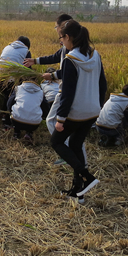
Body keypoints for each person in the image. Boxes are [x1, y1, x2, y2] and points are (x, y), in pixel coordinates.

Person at [51, 20, 107, 203]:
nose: (61, 42)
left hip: (76, 112)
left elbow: (67, 93)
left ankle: (86, 176)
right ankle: (78, 193)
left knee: (56, 141)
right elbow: (102, 83)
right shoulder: (95, 55)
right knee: (75, 145)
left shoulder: (70, 60)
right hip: (92, 111)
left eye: (61, 38)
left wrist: (60, 119)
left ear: (68, 37)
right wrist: (97, 105)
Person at [23, 14, 89, 166]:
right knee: (71, 131)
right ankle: (73, 157)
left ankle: (71, 157)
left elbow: (67, 72)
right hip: (76, 95)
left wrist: (51, 76)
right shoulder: (75, 48)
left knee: (56, 123)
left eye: (56, 27)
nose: (56, 31)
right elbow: (56, 57)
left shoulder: (72, 52)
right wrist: (36, 61)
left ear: (63, 29)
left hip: (67, 92)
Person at [7, 79, 49, 144]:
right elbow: (45, 107)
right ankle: (29, 133)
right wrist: (43, 117)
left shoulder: (18, 88)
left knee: (18, 112)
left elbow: (9, 102)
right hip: (34, 124)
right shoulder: (40, 92)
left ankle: (16, 132)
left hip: (16, 120)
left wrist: (11, 111)